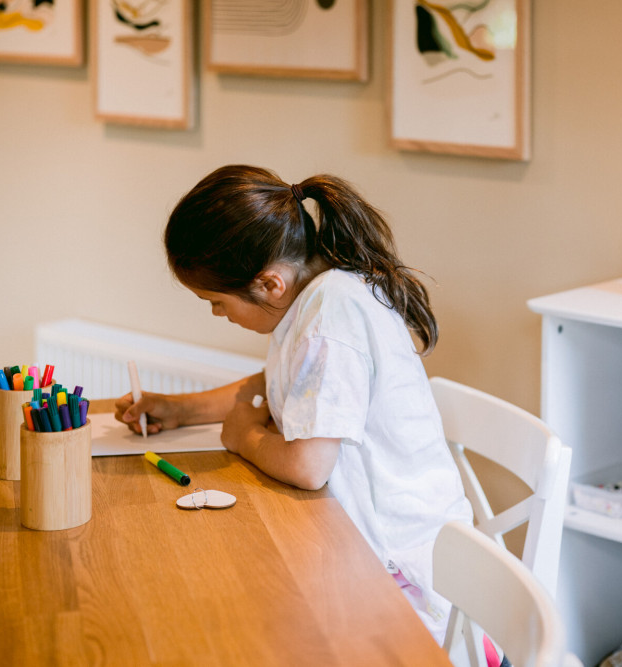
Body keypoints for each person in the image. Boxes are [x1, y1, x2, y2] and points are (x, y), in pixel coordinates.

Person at [114, 164, 472, 644]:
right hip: (359, 543)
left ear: (269, 284)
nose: (218, 314)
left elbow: (307, 467)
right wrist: (182, 410)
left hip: (402, 581)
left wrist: (245, 437)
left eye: (216, 302)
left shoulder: (331, 319)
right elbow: (285, 383)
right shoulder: (320, 294)